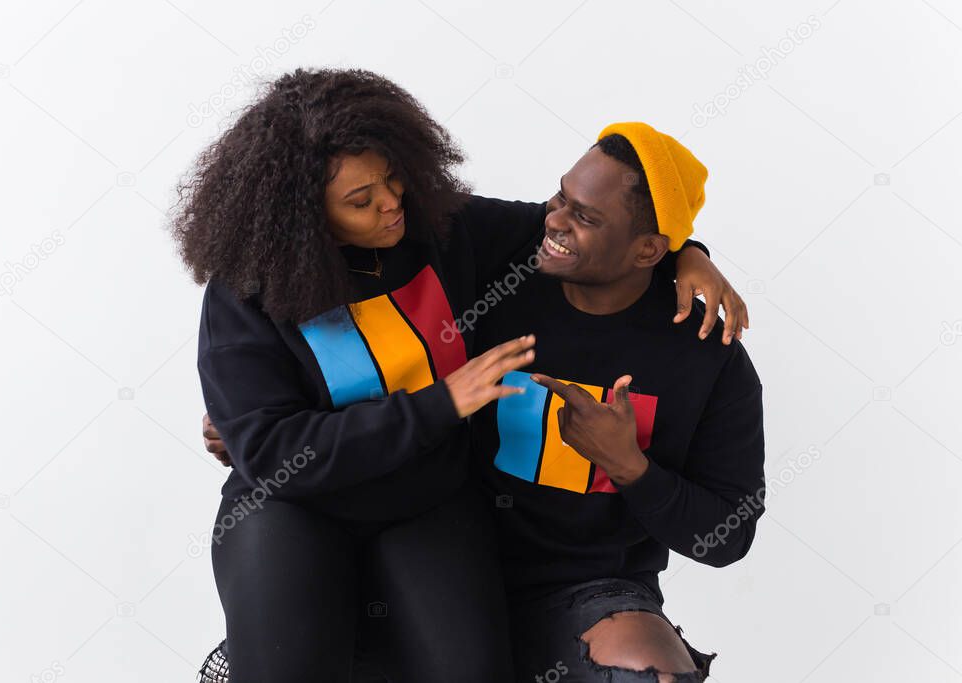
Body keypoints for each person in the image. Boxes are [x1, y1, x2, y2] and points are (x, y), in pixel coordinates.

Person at [179, 67, 748, 682]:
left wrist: (691, 252)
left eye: (393, 178)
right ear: (301, 212)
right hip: (296, 505)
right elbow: (270, 451)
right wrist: (437, 404)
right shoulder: (247, 292)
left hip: (425, 501)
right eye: (360, 201)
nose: (391, 203)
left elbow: (586, 231)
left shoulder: (445, 234)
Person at [468, 122, 766, 681]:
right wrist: (692, 250)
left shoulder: (707, 357)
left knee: (650, 671)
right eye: (561, 196)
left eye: (585, 217)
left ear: (649, 249)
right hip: (450, 561)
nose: (554, 220)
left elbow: (729, 536)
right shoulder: (508, 254)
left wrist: (630, 466)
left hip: (589, 590)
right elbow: (390, 208)